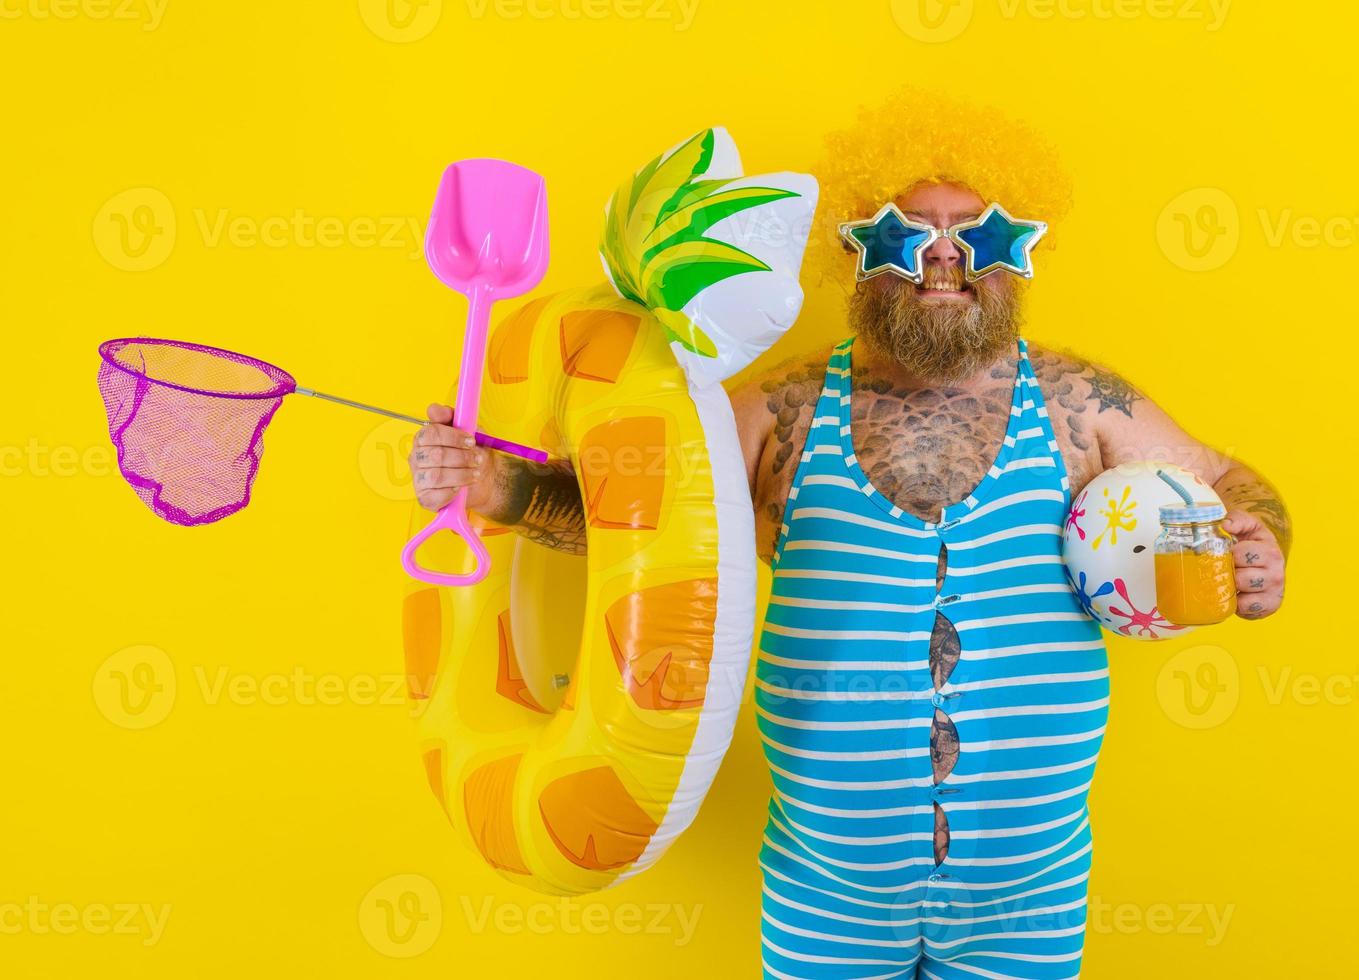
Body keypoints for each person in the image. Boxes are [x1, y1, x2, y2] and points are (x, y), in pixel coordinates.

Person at [408, 94, 1289, 979]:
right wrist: (501, 487)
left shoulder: (1079, 405)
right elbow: (633, 520)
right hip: (825, 890)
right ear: (855, 255)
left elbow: (1223, 483)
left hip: (1030, 893)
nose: (943, 257)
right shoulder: (779, 412)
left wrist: (1259, 545)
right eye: (907, 235)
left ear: (1023, 253)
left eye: (978, 235)